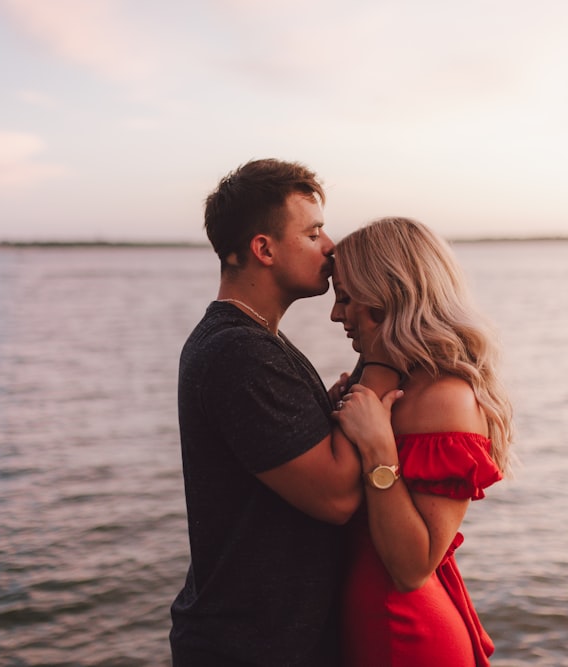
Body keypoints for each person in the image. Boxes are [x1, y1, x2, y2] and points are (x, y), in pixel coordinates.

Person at [170, 159, 398, 667]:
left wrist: (338, 406)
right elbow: (337, 497)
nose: (330, 245)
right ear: (264, 248)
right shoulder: (238, 352)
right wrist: (383, 356)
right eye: (313, 231)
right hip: (254, 647)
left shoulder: (254, 340)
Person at [329, 217, 514, 667]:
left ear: (384, 298)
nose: (336, 315)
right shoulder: (395, 381)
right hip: (364, 621)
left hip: (402, 631)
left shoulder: (444, 398)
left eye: (346, 298)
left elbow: (412, 568)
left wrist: (378, 449)